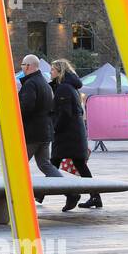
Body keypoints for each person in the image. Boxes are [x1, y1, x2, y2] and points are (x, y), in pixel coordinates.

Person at [49, 58, 101, 212]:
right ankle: (95, 196)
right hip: (73, 133)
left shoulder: (64, 88)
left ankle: (47, 194)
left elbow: (64, 113)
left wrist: (55, 129)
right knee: (77, 165)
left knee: (52, 164)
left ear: (59, 71)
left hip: (67, 134)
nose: (50, 72)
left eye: (52, 69)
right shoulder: (68, 87)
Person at [18, 53, 62, 202]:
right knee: (45, 164)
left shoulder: (30, 84)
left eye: (23, 65)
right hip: (44, 131)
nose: (22, 68)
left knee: (19, 165)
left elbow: (26, 107)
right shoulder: (44, 82)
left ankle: (20, 196)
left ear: (29, 66)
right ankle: (71, 191)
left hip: (32, 133)